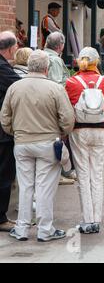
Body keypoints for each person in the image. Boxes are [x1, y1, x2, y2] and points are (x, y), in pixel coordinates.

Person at [1, 49, 75, 242]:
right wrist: (61, 131)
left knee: (25, 187)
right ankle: (45, 229)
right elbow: (68, 119)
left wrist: (15, 132)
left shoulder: (14, 87)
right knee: (44, 187)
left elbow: (5, 117)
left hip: (22, 142)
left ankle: (22, 228)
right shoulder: (55, 89)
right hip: (47, 142)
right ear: (46, 67)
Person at [65, 47, 104, 234]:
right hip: (100, 130)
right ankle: (97, 219)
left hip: (79, 131)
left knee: (82, 174)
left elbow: (68, 109)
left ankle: (87, 220)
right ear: (96, 62)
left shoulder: (71, 81)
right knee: (97, 174)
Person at [44, 32, 75, 185]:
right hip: (54, 105)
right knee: (58, 139)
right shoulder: (55, 60)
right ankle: (59, 173)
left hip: (44, 105)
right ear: (60, 45)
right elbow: (56, 84)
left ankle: (62, 172)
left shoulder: (44, 55)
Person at [0, 31, 20, 233]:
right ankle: (0, 219)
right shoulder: (3, 68)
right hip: (2, 133)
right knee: (4, 175)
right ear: (10, 48)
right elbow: (20, 85)